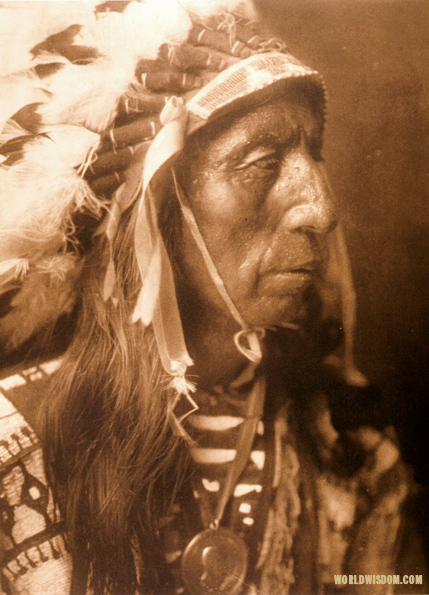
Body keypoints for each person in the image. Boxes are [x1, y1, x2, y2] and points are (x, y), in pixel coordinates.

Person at [0, 1, 426, 594]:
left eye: (314, 154)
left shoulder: (352, 451)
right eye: (262, 163)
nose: (322, 209)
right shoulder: (11, 458)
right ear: (159, 208)